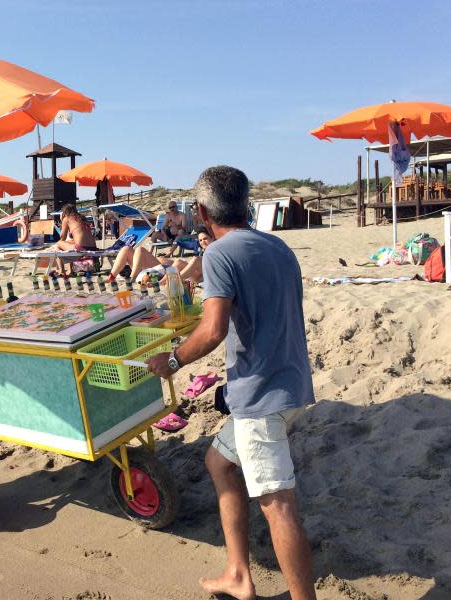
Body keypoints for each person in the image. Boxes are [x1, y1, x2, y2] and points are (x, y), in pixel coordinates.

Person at [147, 166, 316, 600]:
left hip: (261, 397)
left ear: (202, 211)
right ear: (245, 203)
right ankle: (238, 573)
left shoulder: (220, 255)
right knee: (219, 463)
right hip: (291, 384)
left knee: (278, 507)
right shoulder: (277, 246)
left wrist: (172, 359)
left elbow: (213, 329)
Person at [109, 226, 213, 284]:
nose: (203, 242)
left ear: (212, 238)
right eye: (200, 240)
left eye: (205, 239)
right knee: (127, 249)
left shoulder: (216, 251)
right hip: (159, 270)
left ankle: (133, 278)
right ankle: (111, 277)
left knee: (179, 261)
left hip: (172, 274)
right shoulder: (205, 251)